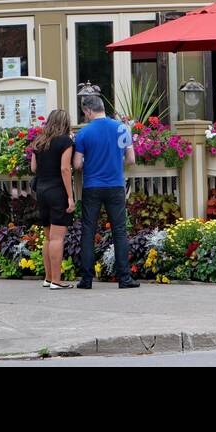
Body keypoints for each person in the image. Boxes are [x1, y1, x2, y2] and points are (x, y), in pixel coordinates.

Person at [73, 93, 137, 290]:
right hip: (115, 185)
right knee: (119, 231)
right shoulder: (121, 128)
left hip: (92, 186)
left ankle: (86, 279)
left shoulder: (84, 133)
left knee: (88, 231)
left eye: (85, 113)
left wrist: (89, 164)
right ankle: (124, 278)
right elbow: (131, 159)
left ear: (89, 111)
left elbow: (76, 164)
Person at [29, 110, 75, 289]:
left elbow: (33, 168)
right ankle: (56, 280)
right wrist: (70, 197)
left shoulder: (39, 141)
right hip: (57, 192)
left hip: (41, 191)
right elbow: (65, 169)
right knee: (57, 238)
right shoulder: (65, 141)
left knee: (48, 238)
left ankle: (48, 278)